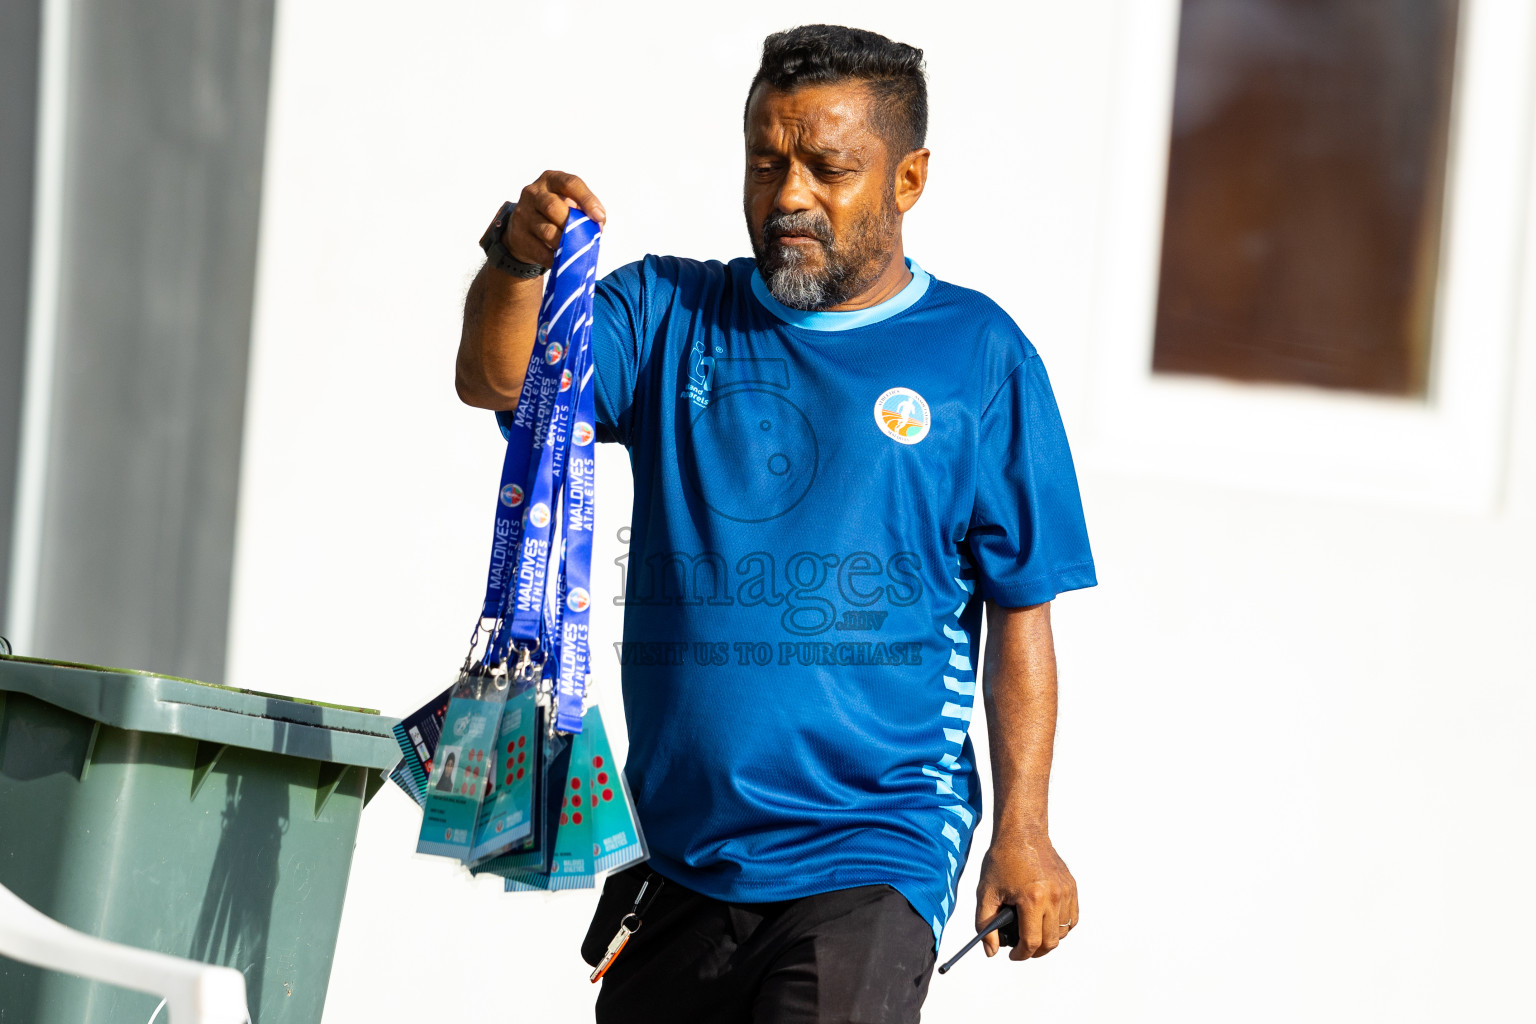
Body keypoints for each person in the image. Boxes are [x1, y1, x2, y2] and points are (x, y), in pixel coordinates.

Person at [455, 24, 1096, 1024]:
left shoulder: (982, 357)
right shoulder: (669, 311)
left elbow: (1023, 613)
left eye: (829, 168)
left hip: (873, 852)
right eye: (767, 162)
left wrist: (1025, 828)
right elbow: (499, 378)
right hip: (679, 863)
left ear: (909, 179)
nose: (790, 194)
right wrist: (514, 258)